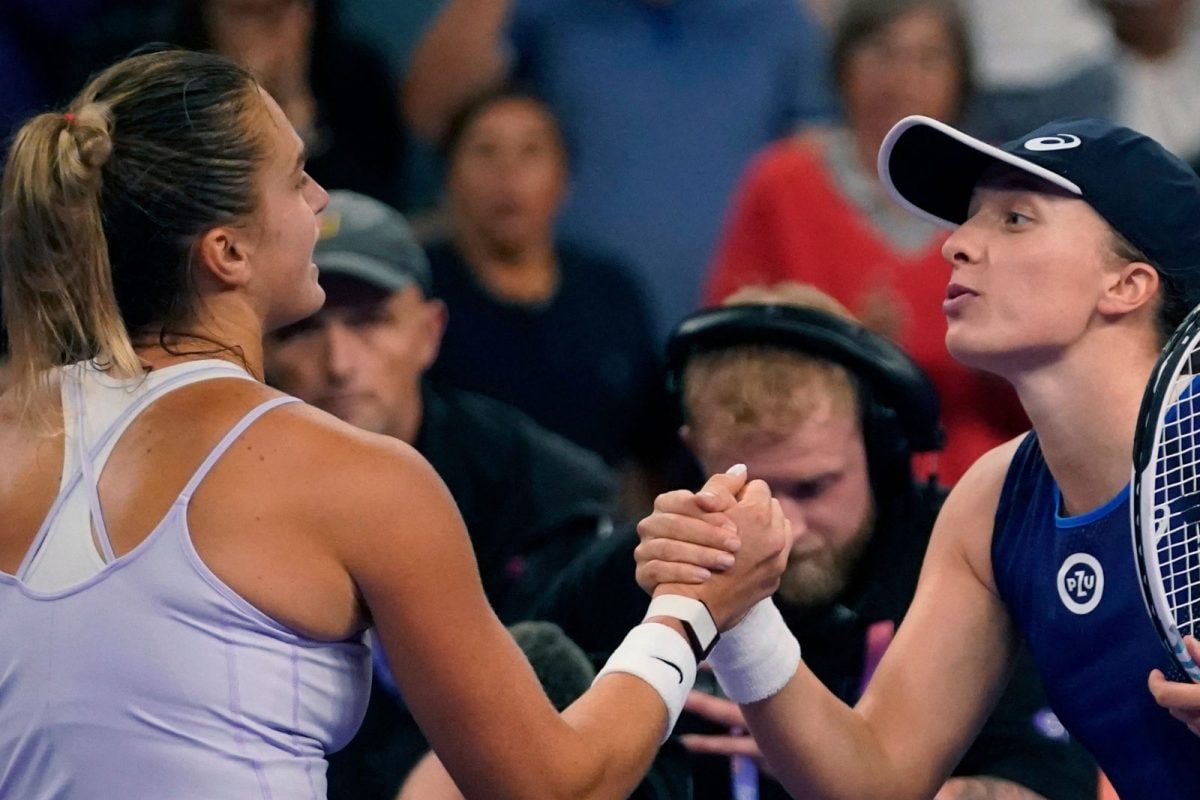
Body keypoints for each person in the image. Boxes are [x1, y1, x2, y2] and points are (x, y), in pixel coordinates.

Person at [0, 47, 791, 798]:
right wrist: (693, 613)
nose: (319, 199)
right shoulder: (359, 480)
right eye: (298, 176)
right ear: (227, 253)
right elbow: (558, 784)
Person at [636, 114, 1200, 799]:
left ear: (1127, 285)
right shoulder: (991, 503)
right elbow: (875, 780)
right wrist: (738, 607)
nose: (956, 245)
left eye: (1015, 219)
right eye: (969, 219)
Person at [538, 283, 1097, 800]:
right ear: (693, 451)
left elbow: (1048, 786)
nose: (787, 530)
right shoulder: (637, 572)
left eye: (814, 486)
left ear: (879, 449)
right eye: (748, 490)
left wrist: (829, 765)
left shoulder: (971, 558)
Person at [264, 189, 626, 798]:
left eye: (369, 321)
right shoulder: (220, 497)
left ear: (428, 334)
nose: (339, 363)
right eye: (303, 329)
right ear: (261, 350)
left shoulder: (546, 495)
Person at [705, 0, 1026, 484]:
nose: (901, 77)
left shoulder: (1001, 190)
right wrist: (844, 348)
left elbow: (1041, 382)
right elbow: (724, 350)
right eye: (880, 51)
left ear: (961, 77)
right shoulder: (781, 181)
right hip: (806, 474)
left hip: (976, 477)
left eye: (929, 58)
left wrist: (993, 351)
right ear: (842, 64)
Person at [403, 0, 834, 339]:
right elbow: (433, 114)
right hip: (575, 342)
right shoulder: (549, 11)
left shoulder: (776, 18)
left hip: (734, 339)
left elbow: (818, 176)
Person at [422, 87, 675, 501]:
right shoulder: (416, 291)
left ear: (565, 179)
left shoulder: (609, 292)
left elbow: (656, 447)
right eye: (485, 151)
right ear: (450, 175)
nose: (507, 173)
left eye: (531, 152)